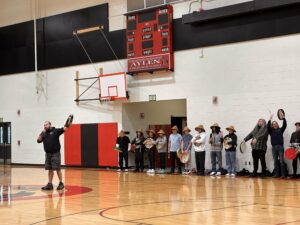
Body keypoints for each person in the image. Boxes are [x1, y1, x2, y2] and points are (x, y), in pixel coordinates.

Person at [37, 121, 69, 190]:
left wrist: (67, 125)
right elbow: (39, 140)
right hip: (47, 154)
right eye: (44, 125)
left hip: (55, 154)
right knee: (50, 169)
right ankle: (50, 184)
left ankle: (61, 183)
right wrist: (42, 133)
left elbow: (64, 129)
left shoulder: (56, 131)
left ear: (50, 125)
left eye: (46, 125)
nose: (45, 126)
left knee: (57, 169)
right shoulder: (43, 133)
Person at [267, 112, 287, 178]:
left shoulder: (281, 130)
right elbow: (268, 127)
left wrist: (283, 118)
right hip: (274, 148)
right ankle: (277, 174)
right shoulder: (271, 131)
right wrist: (270, 119)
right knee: (275, 161)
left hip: (280, 147)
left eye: (275, 124)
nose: (275, 125)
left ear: (277, 125)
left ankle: (283, 174)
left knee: (281, 161)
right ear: (272, 126)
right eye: (273, 124)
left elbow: (284, 125)